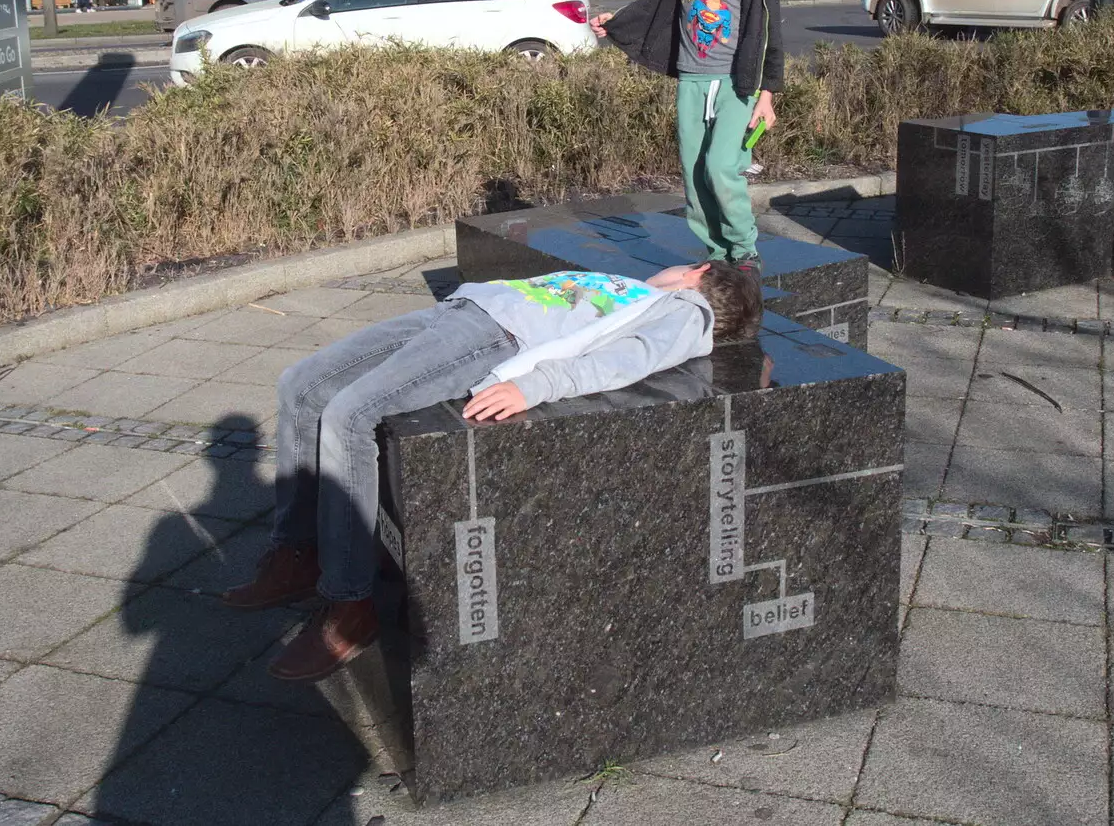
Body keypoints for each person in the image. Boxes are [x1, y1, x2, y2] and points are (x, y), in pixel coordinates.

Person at [224, 261, 762, 681]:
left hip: (491, 335)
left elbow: (630, 359)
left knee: (351, 414)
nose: (664, 272)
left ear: (696, 274)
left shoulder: (687, 311)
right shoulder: (633, 290)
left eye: (681, 270)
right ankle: (297, 551)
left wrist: (537, 385)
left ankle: (349, 602)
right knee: (301, 384)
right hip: (460, 310)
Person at [589, 0, 782, 271]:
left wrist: (767, 96)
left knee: (720, 166)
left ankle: (744, 247)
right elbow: (655, 6)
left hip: (736, 84)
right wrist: (616, 22)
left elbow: (770, 36)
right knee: (694, 173)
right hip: (692, 81)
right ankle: (716, 252)